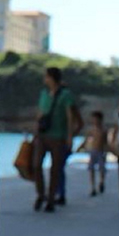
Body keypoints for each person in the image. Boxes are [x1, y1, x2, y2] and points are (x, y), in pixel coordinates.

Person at [33, 67, 82, 212]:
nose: (44, 79)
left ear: (52, 78)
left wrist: (69, 137)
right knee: (37, 165)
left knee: (55, 170)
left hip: (58, 137)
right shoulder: (44, 93)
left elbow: (69, 117)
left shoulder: (66, 95)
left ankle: (51, 199)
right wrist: (35, 132)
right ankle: (41, 194)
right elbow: (40, 113)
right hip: (43, 136)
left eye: (46, 76)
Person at [78, 110, 107, 196]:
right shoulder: (91, 130)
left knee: (102, 168)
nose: (95, 121)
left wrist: (108, 150)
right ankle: (93, 187)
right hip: (93, 151)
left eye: (96, 119)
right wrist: (80, 147)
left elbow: (106, 142)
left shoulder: (103, 130)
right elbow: (86, 139)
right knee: (91, 169)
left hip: (101, 151)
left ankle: (101, 181)